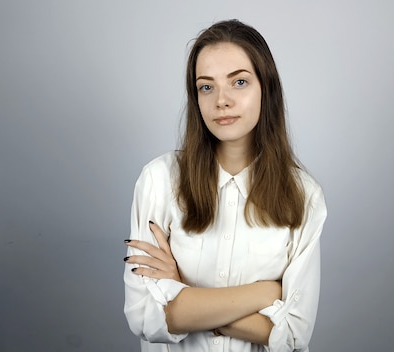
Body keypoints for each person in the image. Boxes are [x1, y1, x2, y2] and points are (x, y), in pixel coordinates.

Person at [123, 19, 327, 352]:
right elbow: (144, 316)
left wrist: (183, 294)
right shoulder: (159, 180)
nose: (222, 100)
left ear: (267, 88)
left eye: (240, 82)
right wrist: (264, 293)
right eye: (207, 86)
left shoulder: (303, 195)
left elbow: (293, 334)